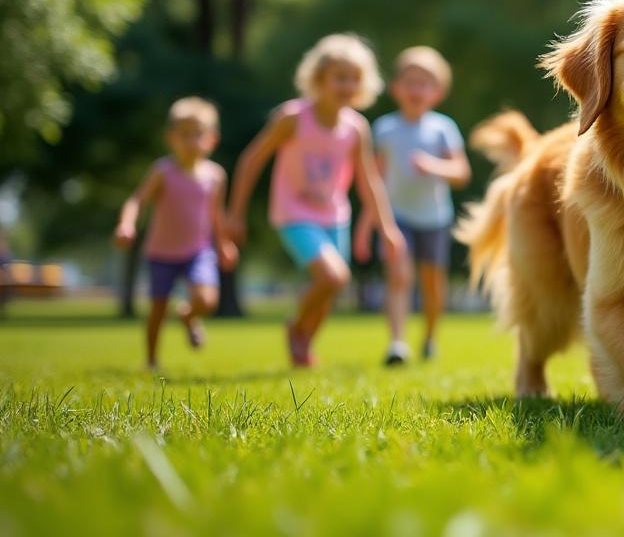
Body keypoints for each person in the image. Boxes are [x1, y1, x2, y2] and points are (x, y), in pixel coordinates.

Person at [226, 34, 406, 367]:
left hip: (335, 215)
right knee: (334, 277)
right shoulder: (293, 118)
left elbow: (369, 182)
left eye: (355, 78)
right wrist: (235, 214)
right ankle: (295, 326)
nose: (347, 84)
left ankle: (302, 343)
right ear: (318, 79)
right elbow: (251, 160)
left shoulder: (356, 128)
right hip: (293, 213)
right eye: (339, 77)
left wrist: (388, 228)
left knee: (329, 291)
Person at [355, 46, 470, 365]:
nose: (416, 89)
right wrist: (366, 227)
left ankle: (430, 337)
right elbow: (374, 181)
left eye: (425, 83)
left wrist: (434, 166)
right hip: (396, 217)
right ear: (396, 89)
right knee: (398, 276)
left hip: (435, 218)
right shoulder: (384, 129)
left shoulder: (442, 129)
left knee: (432, 286)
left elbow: (461, 172)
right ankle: (397, 343)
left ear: (438, 92)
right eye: (410, 82)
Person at [114, 97, 237, 369]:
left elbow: (216, 215)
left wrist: (224, 244)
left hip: (198, 250)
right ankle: (152, 361)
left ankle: (188, 315)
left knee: (207, 300)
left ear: (211, 140)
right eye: (184, 135)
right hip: (161, 251)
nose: (191, 141)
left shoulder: (216, 176)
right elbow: (136, 201)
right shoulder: (162, 171)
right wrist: (127, 224)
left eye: (198, 135)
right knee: (158, 308)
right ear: (171, 138)